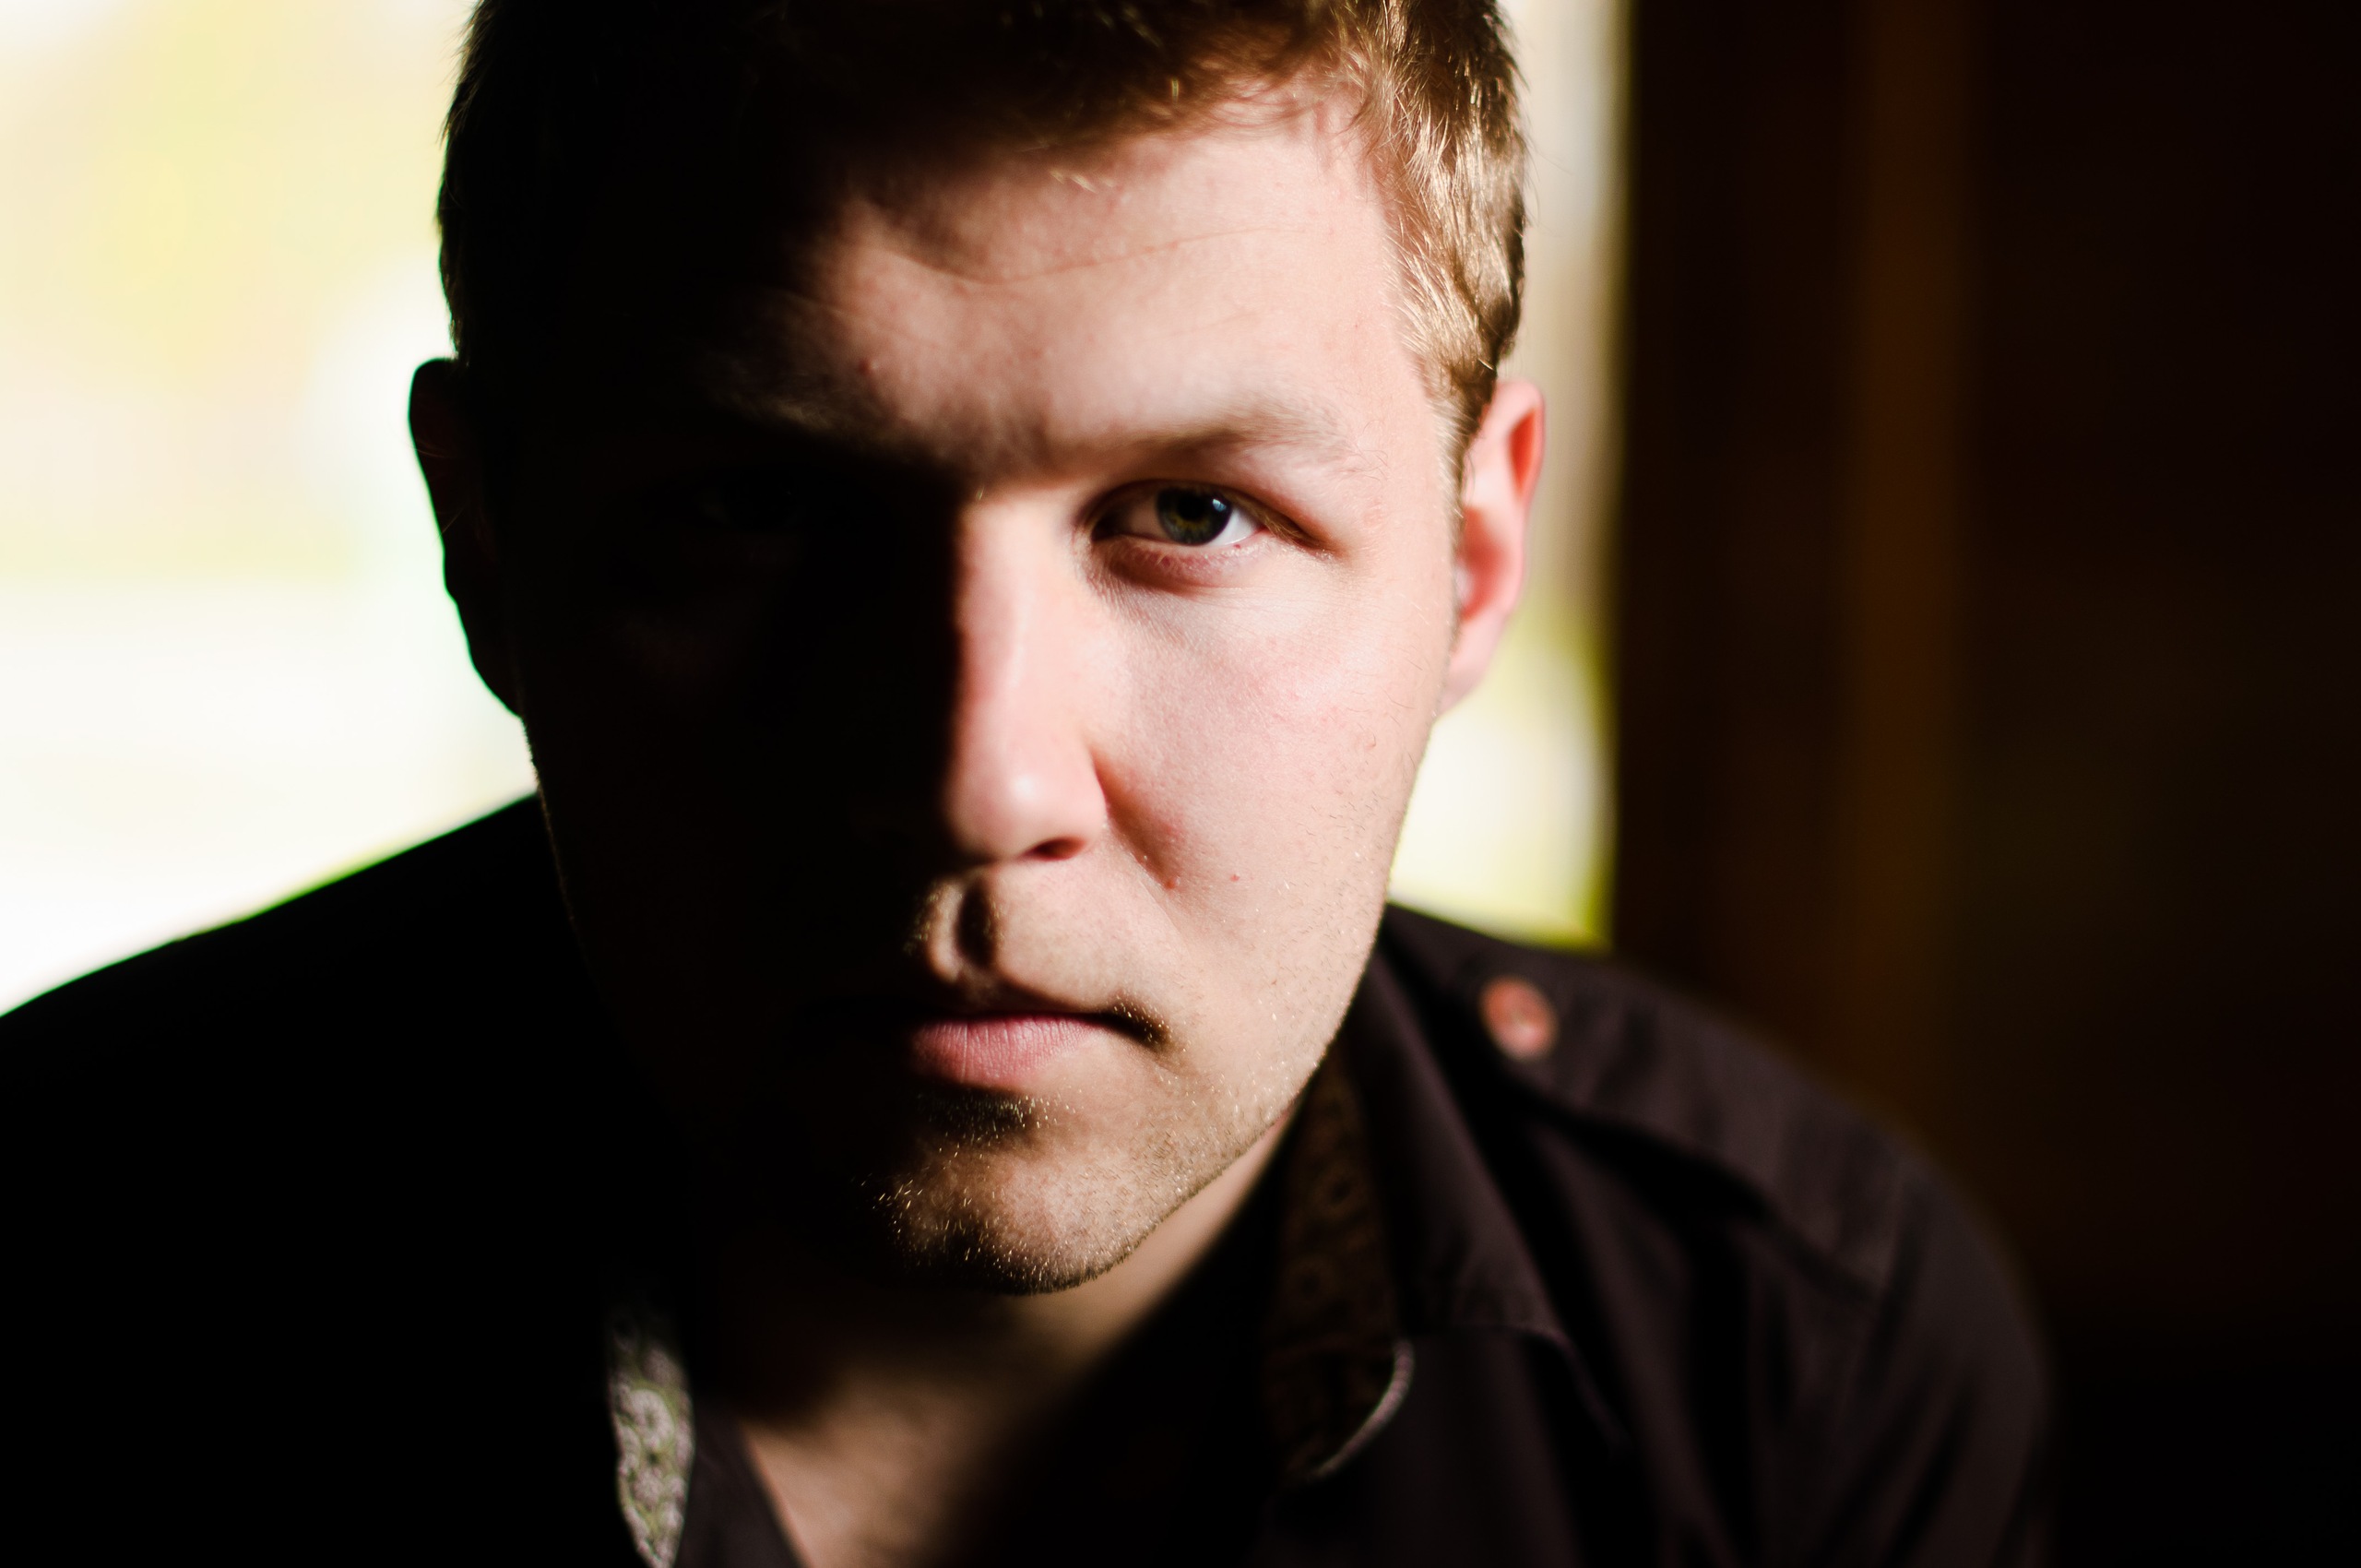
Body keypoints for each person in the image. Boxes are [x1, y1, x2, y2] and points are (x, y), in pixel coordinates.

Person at [3, 3, 2047, 1563]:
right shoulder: (57, 1285)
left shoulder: (1793, 1361)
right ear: (486, 548)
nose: (975, 789)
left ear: (1472, 562)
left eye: (1191, 513)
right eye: (757, 508)